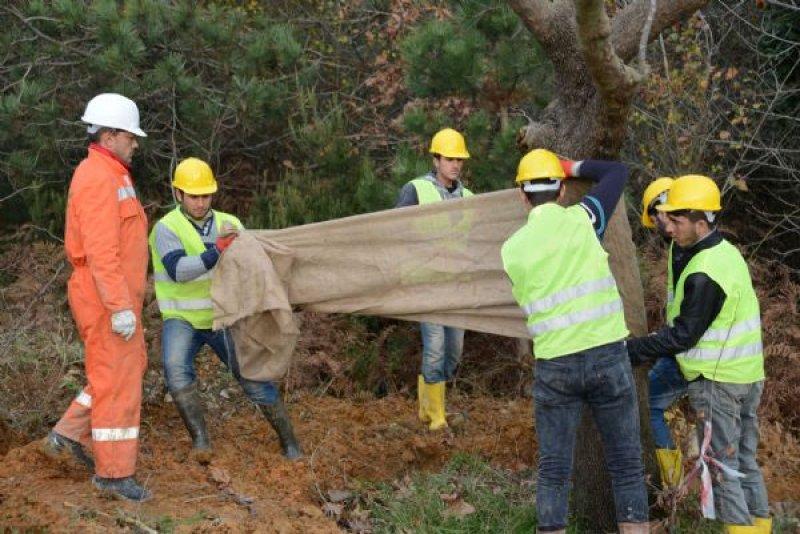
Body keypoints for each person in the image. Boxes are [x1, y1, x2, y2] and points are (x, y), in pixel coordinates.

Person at [501, 149, 648, 533]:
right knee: (627, 466)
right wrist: (572, 166)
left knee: (553, 471)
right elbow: (616, 171)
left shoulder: (511, 250)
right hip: (608, 358)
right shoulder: (584, 220)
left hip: (556, 366)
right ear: (562, 191)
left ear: (522, 196)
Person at [627, 175, 770, 533]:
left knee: (723, 468)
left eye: (675, 220)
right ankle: (759, 527)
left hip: (718, 381)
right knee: (744, 462)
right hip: (747, 374)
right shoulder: (725, 252)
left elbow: (685, 335)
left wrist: (633, 349)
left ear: (700, 221)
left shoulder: (705, 271)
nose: (668, 227)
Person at [149, 157, 301, 462]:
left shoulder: (230, 224)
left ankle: (290, 443)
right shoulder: (166, 228)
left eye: (206, 195)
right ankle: (201, 442)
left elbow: (252, 267)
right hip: (183, 318)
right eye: (194, 196)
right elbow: (179, 270)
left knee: (253, 379)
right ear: (178, 194)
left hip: (224, 318)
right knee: (176, 372)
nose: (201, 202)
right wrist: (217, 251)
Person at [41, 93, 151, 501]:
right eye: (130, 136)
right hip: (106, 299)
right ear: (109, 135)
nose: (135, 143)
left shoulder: (114, 173)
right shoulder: (96, 177)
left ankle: (67, 434)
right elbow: (102, 250)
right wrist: (119, 307)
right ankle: (114, 474)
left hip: (114, 297)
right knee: (118, 382)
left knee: (125, 368)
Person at [396, 128, 473, 431]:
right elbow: (395, 230)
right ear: (436, 159)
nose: (456, 164)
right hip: (426, 283)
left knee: (454, 352)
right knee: (436, 346)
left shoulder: (470, 198)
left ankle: (427, 406)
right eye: (450, 158)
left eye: (460, 160)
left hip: (457, 287)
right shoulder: (414, 190)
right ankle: (436, 417)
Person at [641, 177, 690, 489]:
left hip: (687, 351)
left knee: (649, 403)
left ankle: (672, 484)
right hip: (683, 345)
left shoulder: (686, 247)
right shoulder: (682, 244)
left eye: (656, 217)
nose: (659, 225)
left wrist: (656, 344)